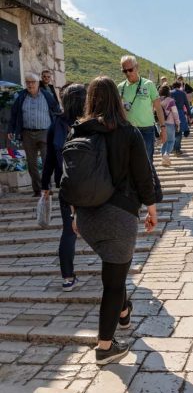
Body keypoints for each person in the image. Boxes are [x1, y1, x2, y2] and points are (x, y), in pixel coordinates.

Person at [70, 76, 157, 365]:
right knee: (113, 283)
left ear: (90, 99)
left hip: (86, 218)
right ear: (117, 100)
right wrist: (151, 207)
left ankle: (123, 312)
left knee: (114, 274)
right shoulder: (128, 132)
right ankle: (105, 347)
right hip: (118, 216)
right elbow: (143, 174)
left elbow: (72, 178)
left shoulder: (78, 132)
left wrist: (73, 214)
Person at [41, 84, 86, 291]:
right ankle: (113, 274)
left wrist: (45, 186)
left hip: (67, 186)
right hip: (94, 186)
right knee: (102, 227)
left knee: (69, 232)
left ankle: (67, 278)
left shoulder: (56, 125)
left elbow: (49, 159)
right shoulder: (92, 123)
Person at [9, 72, 61, 197]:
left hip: (45, 132)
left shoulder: (47, 95)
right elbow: (14, 114)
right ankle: (37, 190)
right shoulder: (21, 96)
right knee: (31, 164)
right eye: (27, 82)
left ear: (38, 83)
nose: (30, 85)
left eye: (32, 82)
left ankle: (46, 187)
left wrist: (59, 128)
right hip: (27, 133)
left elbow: (57, 111)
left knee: (46, 162)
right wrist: (11, 130)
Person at [118, 55, 166, 163]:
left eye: (130, 69)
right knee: (129, 162)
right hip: (127, 130)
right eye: (124, 71)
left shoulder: (148, 85)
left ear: (137, 67)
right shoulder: (120, 87)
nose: (128, 73)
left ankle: (150, 180)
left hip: (146, 130)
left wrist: (163, 128)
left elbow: (158, 108)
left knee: (147, 162)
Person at [159, 85, 180, 166]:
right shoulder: (171, 101)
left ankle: (164, 159)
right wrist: (178, 123)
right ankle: (166, 154)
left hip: (160, 123)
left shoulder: (158, 100)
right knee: (171, 141)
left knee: (164, 141)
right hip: (170, 123)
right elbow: (175, 113)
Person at [170, 81, 191, 156]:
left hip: (171, 113)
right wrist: (189, 114)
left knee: (173, 131)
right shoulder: (182, 93)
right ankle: (177, 149)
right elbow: (187, 104)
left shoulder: (170, 93)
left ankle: (173, 148)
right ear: (179, 86)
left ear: (173, 86)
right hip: (180, 113)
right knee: (179, 132)